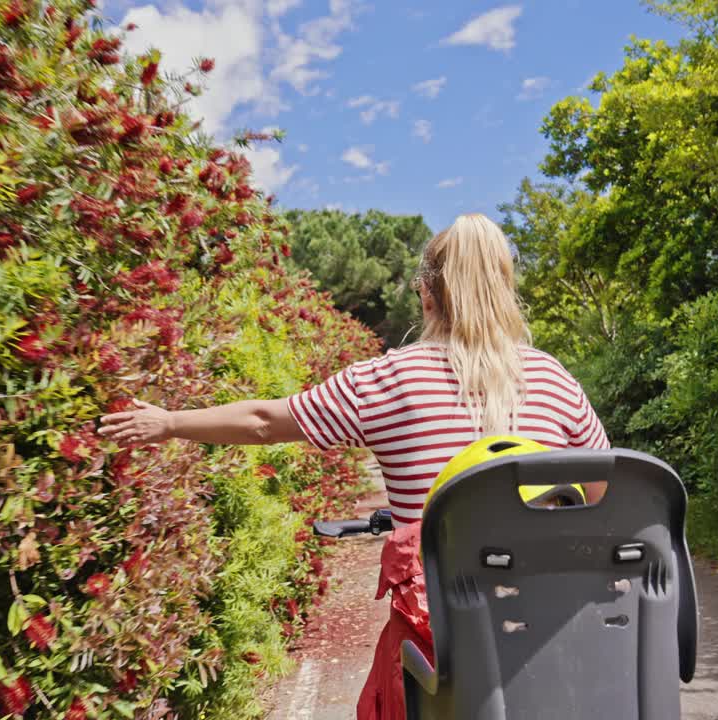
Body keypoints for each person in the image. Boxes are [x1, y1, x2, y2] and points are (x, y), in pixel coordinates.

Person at [99, 212, 609, 719]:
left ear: (427, 295)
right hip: (549, 640)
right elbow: (601, 491)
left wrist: (168, 421)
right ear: (504, 287)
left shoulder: (389, 379)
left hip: (446, 652)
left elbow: (262, 421)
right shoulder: (553, 378)